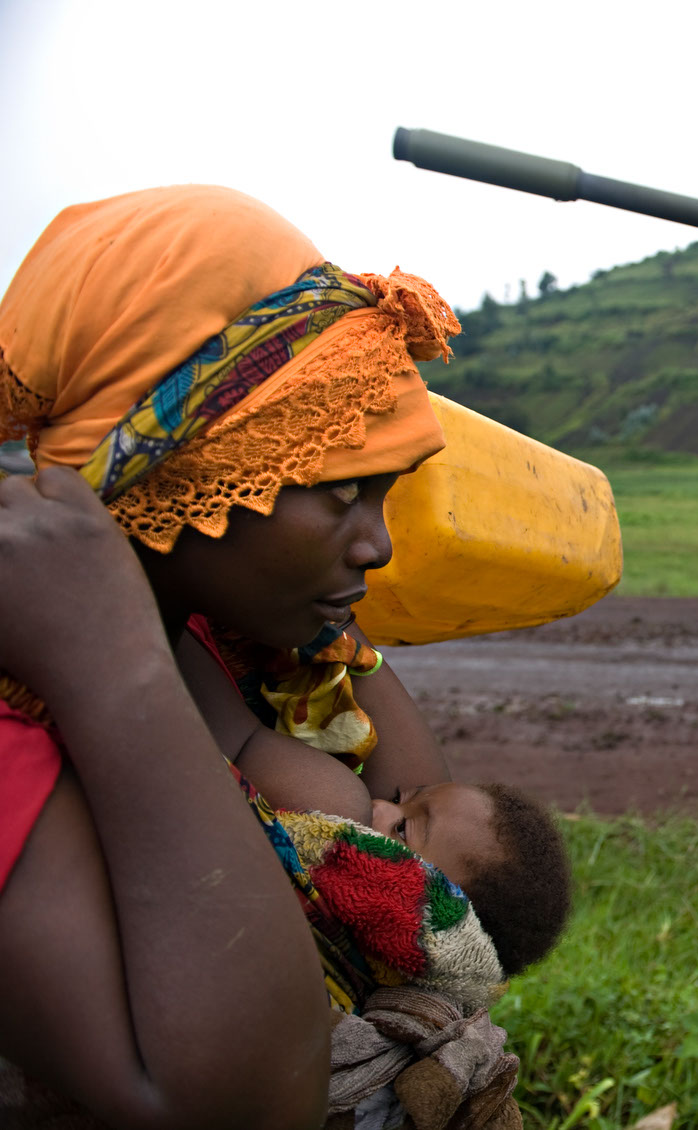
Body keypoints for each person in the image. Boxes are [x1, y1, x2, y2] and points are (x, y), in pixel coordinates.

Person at [0, 184, 565, 1128]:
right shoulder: (36, 707)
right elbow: (250, 1101)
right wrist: (115, 667)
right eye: (342, 490)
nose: (379, 547)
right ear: (187, 471)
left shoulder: (228, 639)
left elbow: (422, 826)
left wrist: (337, 645)